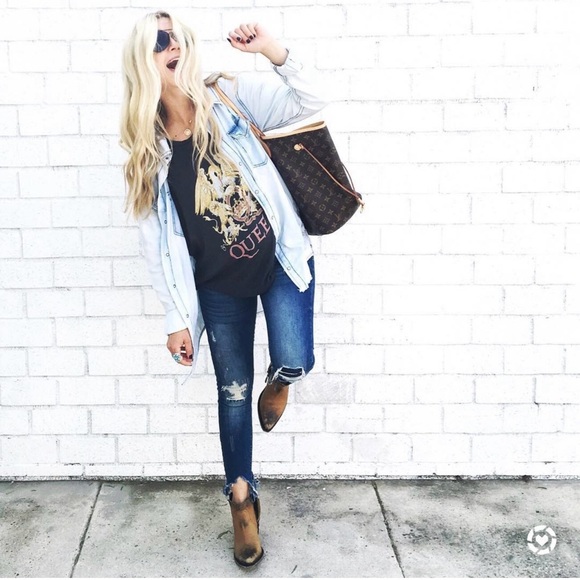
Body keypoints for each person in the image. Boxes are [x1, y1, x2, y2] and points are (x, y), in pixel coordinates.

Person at [120, 10, 327, 567]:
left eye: (178, 36)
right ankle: (241, 500)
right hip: (217, 288)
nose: (174, 45)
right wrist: (176, 319)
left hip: (281, 259)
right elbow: (154, 245)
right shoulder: (147, 150)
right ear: (142, 59)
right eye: (160, 40)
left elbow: (311, 101)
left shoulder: (229, 96)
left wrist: (272, 50)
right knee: (232, 391)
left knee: (295, 356)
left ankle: (282, 380)